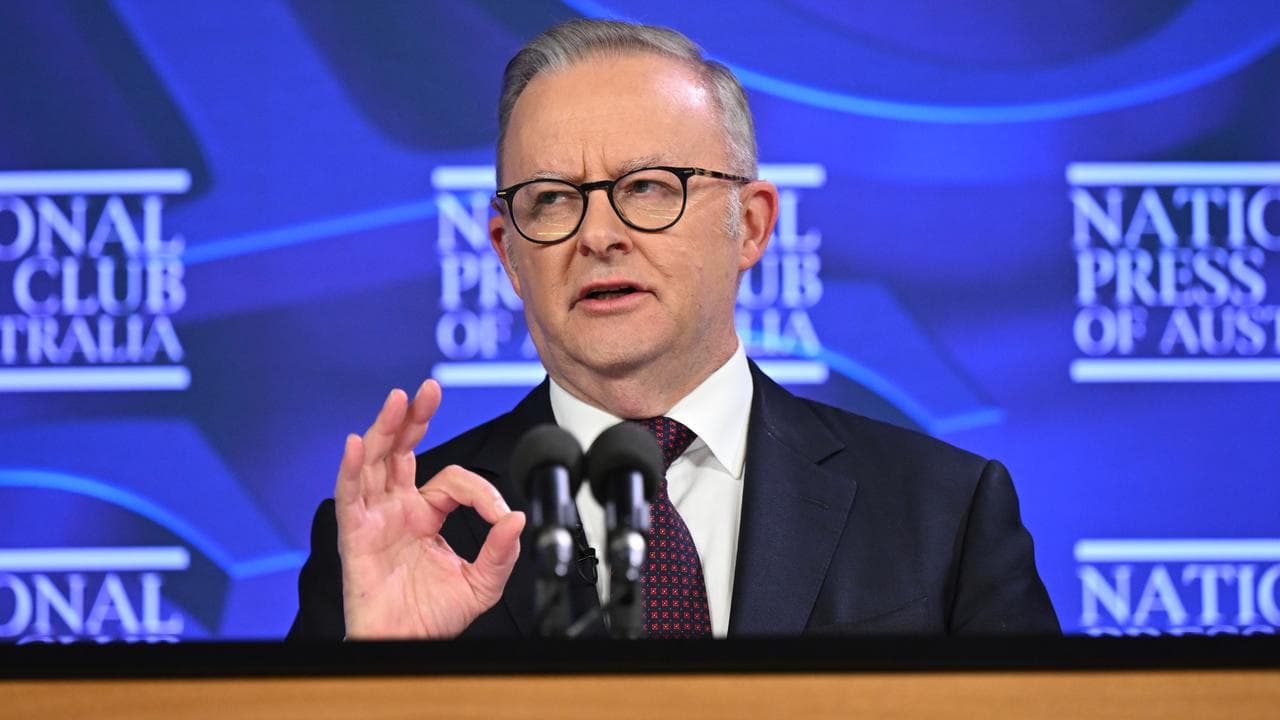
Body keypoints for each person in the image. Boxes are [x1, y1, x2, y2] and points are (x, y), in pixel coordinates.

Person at [288, 19, 1059, 640]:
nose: (597, 236)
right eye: (552, 200)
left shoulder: (943, 513)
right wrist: (379, 678)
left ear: (750, 225)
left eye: (648, 187)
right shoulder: (402, 539)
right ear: (508, 253)